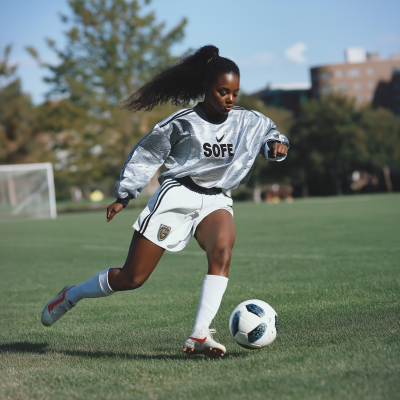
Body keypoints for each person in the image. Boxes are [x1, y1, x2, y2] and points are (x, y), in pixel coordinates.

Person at [41, 45, 289, 359]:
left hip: (216, 201)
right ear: (206, 88)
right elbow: (147, 155)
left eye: (235, 93)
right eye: (222, 91)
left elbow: (272, 135)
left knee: (223, 250)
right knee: (132, 278)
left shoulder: (248, 121)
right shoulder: (182, 122)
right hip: (177, 197)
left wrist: (277, 146)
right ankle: (71, 295)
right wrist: (124, 194)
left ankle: (200, 333)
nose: (230, 99)